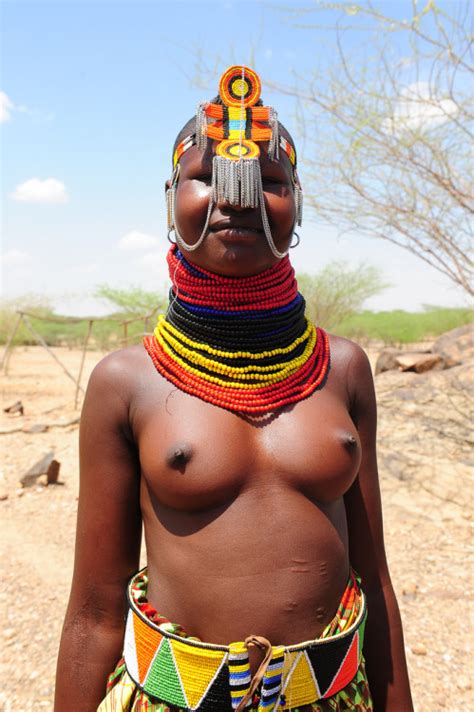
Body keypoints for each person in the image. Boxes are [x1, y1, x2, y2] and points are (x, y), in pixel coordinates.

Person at [55, 66, 413, 711]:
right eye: (206, 177)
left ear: (298, 202)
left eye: (269, 182)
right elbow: (94, 613)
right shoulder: (126, 383)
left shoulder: (344, 369)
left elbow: (375, 584)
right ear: (169, 197)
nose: (239, 199)